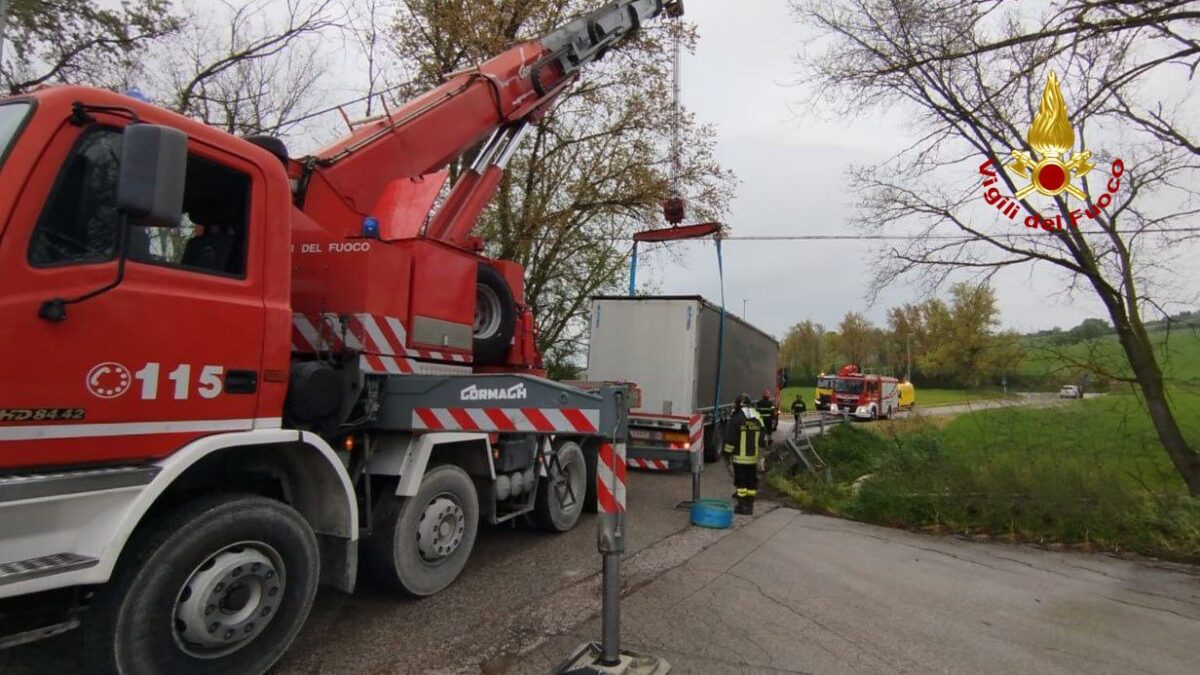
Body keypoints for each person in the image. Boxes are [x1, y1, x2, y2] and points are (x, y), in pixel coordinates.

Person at [724, 393, 764, 515]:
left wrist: (727, 454)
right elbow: (763, 438)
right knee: (751, 482)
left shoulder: (736, 418)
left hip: (740, 459)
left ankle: (742, 506)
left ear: (738, 404)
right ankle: (750, 506)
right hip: (753, 459)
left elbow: (731, 439)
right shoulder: (757, 417)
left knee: (741, 483)